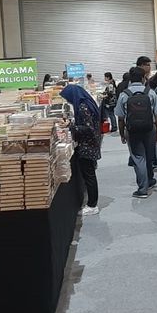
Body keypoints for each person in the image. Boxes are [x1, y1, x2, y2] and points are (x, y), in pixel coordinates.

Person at [115, 66, 157, 198]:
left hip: (132, 131)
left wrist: (121, 134)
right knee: (148, 156)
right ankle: (150, 180)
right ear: (143, 78)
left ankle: (142, 189)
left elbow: (120, 118)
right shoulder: (150, 92)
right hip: (150, 129)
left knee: (138, 158)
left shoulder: (124, 95)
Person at [60, 84, 102, 216]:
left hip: (87, 146)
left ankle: (92, 205)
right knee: (89, 175)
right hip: (91, 144)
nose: (68, 102)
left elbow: (88, 128)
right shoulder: (87, 103)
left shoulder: (83, 107)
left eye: (68, 99)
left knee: (89, 176)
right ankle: (92, 203)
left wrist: (71, 127)